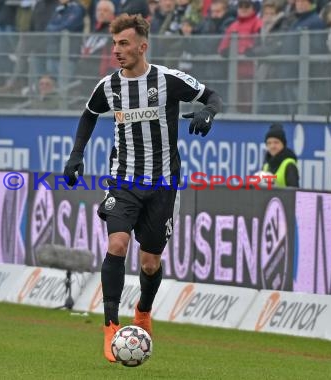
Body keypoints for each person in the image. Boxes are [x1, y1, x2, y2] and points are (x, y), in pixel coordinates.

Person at [62, 13, 222, 363]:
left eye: (123, 43)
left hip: (164, 184)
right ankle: (109, 327)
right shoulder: (108, 86)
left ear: (142, 46)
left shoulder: (167, 80)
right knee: (117, 243)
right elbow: (89, 114)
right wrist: (77, 155)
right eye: (114, 44)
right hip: (124, 181)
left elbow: (212, 96)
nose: (117, 50)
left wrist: (207, 113)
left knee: (150, 264)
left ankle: (144, 310)